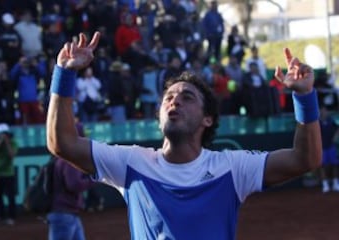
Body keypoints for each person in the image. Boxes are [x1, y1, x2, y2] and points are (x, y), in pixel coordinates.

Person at [46, 32, 322, 239]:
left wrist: (304, 97)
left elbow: (304, 159)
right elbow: (63, 143)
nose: (174, 102)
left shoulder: (232, 167)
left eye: (186, 97)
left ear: (208, 119)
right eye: (168, 97)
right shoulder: (131, 162)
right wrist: (64, 74)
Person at [47, 122, 97, 240]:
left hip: (67, 213)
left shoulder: (62, 156)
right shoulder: (69, 159)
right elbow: (74, 184)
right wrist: (93, 179)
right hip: (64, 214)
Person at [0, 123, 18, 226]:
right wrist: (1, 141)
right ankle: (0, 216)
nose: (3, 135)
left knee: (10, 196)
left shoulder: (13, 142)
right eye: (1, 134)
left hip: (8, 173)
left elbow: (12, 155)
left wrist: (6, 143)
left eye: (5, 133)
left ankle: (11, 217)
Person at [318, 105, 339, 193]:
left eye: (325, 110)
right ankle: (325, 184)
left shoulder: (331, 120)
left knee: (335, 165)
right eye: (321, 110)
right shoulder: (317, 122)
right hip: (321, 148)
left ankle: (335, 183)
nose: (323, 112)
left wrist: (335, 137)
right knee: (323, 166)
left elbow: (337, 129)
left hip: (331, 146)